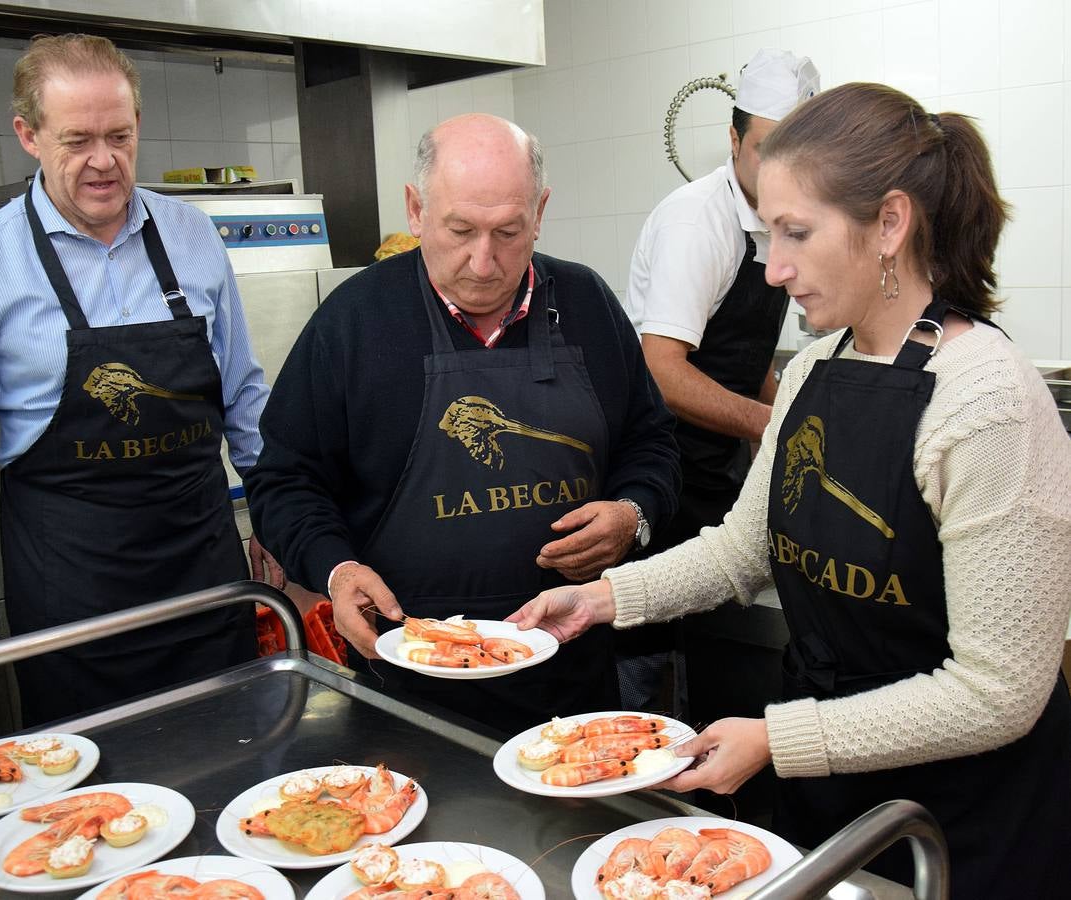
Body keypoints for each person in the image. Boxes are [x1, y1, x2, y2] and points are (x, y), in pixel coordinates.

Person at [511, 83, 1071, 894]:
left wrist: (779, 738)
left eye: (796, 233)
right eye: (769, 231)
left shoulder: (986, 403)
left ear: (889, 224)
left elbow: (998, 694)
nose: (774, 270)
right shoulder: (812, 370)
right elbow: (743, 550)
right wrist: (599, 599)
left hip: (968, 822)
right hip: (834, 798)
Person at [245, 114, 681, 736]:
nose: (484, 262)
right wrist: (336, 569)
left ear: (541, 212)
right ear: (416, 210)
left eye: (508, 232)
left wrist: (635, 514)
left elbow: (652, 443)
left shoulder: (587, 305)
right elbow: (285, 480)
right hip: (408, 679)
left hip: (572, 677)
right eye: (460, 230)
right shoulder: (354, 322)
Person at [0, 34, 281, 726]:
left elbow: (245, 399)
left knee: (236, 760)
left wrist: (279, 522)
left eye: (121, 136)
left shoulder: (193, 236)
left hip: (204, 579)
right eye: (77, 140)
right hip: (74, 594)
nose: (104, 162)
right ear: (28, 135)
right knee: (92, 803)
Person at [617, 48, 819, 713]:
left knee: (712, 644)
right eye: (765, 149)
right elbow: (660, 369)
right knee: (660, 655)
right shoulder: (695, 224)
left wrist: (788, 411)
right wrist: (770, 425)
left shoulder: (775, 224)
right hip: (661, 467)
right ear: (733, 140)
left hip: (714, 462)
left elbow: (741, 353)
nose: (780, 171)